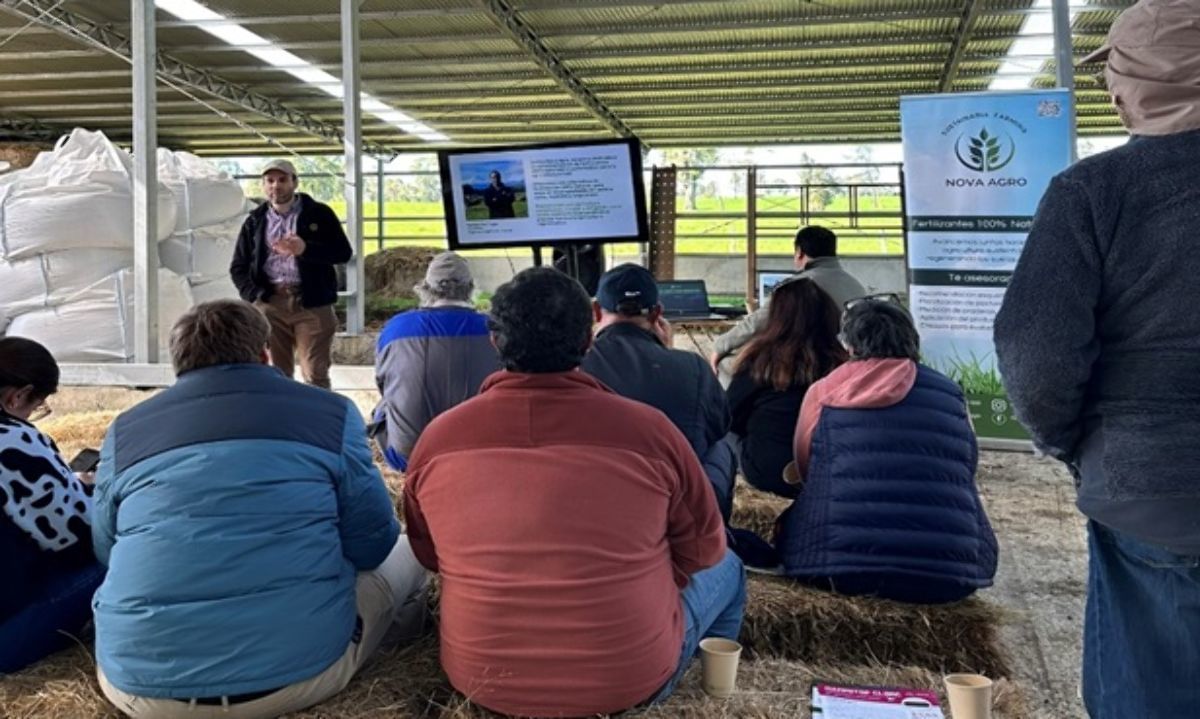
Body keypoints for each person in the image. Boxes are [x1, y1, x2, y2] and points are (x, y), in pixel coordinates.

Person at [403, 268, 744, 717]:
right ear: (588, 341)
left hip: (482, 682)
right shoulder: (652, 433)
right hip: (628, 683)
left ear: (495, 341)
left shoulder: (438, 440)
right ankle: (716, 690)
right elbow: (704, 551)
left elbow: (430, 555)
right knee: (732, 567)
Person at [994, 1, 1200, 714]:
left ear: (1133, 83)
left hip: (1153, 487)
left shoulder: (1094, 191)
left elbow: (1033, 351)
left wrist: (1070, 441)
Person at [92, 300, 427, 719]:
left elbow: (105, 547)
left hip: (140, 688)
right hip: (298, 676)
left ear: (177, 363)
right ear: (265, 353)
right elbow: (373, 543)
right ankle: (400, 646)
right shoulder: (331, 414)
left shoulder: (125, 430)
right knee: (409, 547)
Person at [778, 298, 997, 603]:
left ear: (850, 346)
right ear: (912, 340)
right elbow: (966, 465)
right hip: (950, 573)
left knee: (785, 526)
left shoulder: (825, 390)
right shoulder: (950, 393)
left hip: (834, 568)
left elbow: (806, 467)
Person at [582, 263, 737, 521]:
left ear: (597, 312)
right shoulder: (693, 367)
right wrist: (667, 354)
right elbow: (718, 426)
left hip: (595, 505)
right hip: (675, 514)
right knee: (721, 444)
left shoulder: (575, 365)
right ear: (657, 314)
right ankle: (720, 539)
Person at [0, 337, 104, 673]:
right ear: (16, 396)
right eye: (37, 405)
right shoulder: (14, 440)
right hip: (7, 636)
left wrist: (64, 486)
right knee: (125, 556)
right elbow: (78, 538)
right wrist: (89, 491)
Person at [230, 159, 352, 389]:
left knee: (315, 372)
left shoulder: (319, 214)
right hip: (271, 303)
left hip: (312, 303)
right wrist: (255, 296)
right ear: (263, 185)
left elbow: (342, 252)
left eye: (283, 180)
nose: (276, 186)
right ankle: (284, 421)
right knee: (277, 374)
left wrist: (305, 249)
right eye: (270, 180)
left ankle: (318, 422)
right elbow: (238, 266)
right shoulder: (255, 221)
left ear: (295, 182)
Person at [373, 252, 499, 471]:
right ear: (470, 288)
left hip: (411, 457)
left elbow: (383, 384)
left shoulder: (397, 328)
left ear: (425, 288)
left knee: (385, 404)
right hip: (482, 453)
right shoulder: (496, 329)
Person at [726, 278, 846, 498]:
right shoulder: (843, 363)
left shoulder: (760, 360)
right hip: (826, 473)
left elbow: (727, 415)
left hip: (767, 471)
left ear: (777, 318)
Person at [711, 226, 865, 380]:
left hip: (804, 366)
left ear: (799, 253)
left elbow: (756, 324)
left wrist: (720, 346)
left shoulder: (796, 287)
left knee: (728, 364)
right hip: (847, 363)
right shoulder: (857, 285)